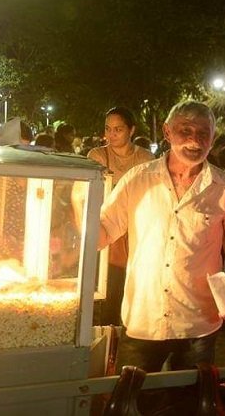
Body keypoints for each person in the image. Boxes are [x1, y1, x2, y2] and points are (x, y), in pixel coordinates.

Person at [98, 101, 225, 373]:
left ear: (213, 137)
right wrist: (71, 222)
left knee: (188, 396)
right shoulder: (138, 180)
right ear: (167, 132)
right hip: (144, 318)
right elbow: (105, 230)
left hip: (198, 323)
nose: (194, 140)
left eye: (203, 133)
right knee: (132, 395)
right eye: (185, 130)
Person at [88, 107, 155, 325]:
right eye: (108, 129)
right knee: (108, 287)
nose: (112, 134)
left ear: (131, 130)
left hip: (137, 231)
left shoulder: (145, 158)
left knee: (135, 288)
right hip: (107, 230)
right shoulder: (97, 155)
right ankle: (107, 333)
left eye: (118, 129)